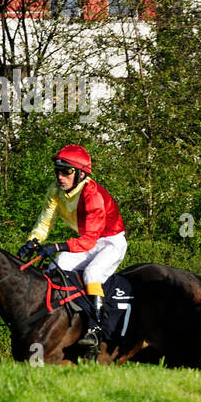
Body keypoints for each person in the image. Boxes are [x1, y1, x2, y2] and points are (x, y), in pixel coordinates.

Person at [17, 145, 127, 351]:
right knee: (58, 264)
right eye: (58, 171)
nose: (60, 176)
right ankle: (56, 321)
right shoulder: (55, 191)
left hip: (111, 242)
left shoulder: (92, 194)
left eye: (66, 171)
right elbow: (45, 223)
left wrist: (57, 245)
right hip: (89, 240)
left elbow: (89, 241)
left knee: (92, 273)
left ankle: (95, 329)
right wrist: (32, 241)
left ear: (81, 174)